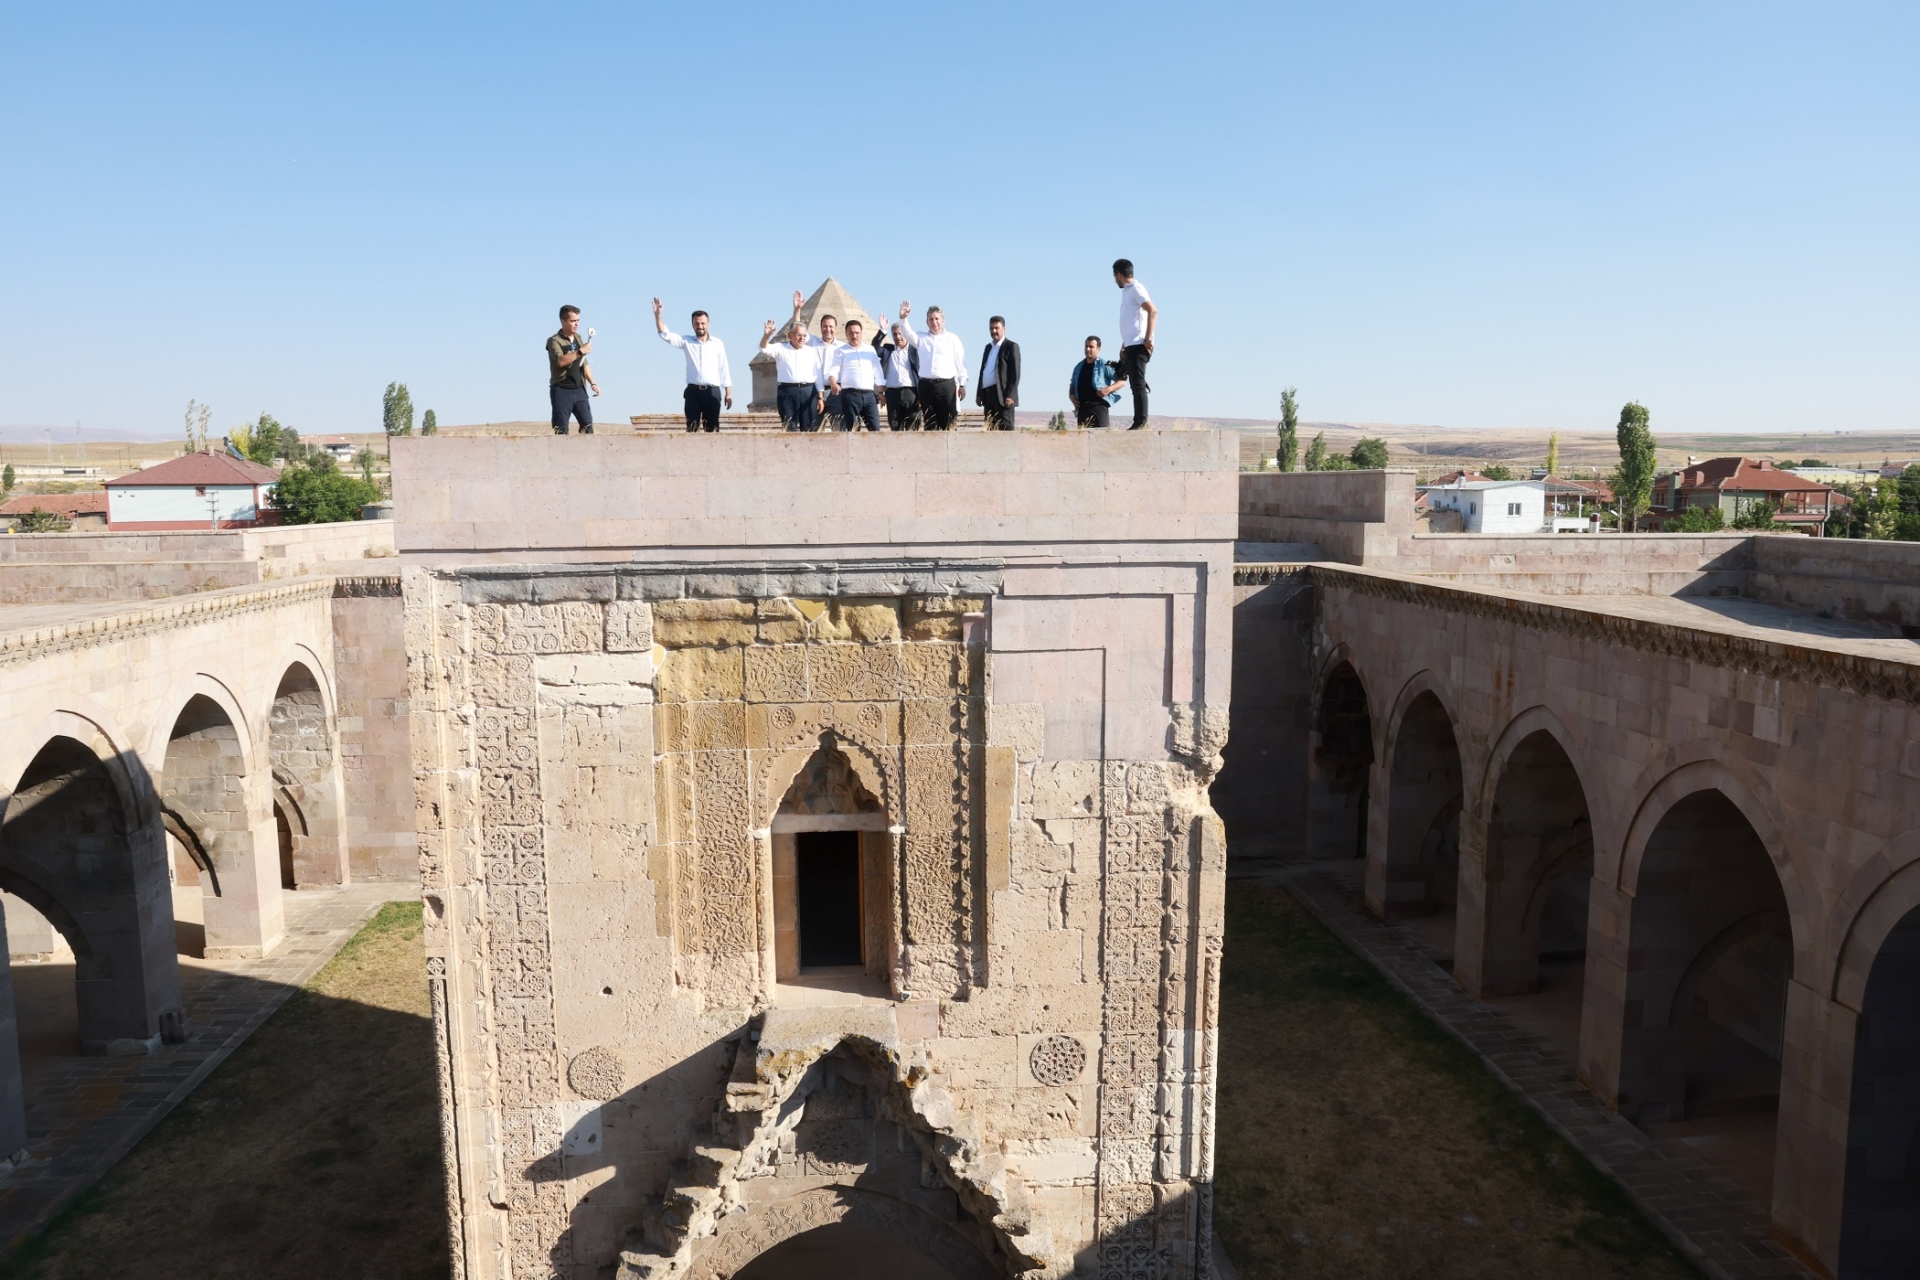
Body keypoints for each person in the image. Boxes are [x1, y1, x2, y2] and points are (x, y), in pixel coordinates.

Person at [653, 298, 732, 432]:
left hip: (712, 391)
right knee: (691, 428)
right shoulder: (686, 341)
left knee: (712, 429)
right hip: (693, 392)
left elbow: (724, 368)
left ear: (708, 324)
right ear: (692, 325)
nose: (700, 326)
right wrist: (658, 315)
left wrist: (728, 393)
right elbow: (665, 334)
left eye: (703, 323)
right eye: (697, 323)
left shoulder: (717, 343)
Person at [895, 300, 968, 430]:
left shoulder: (952, 338)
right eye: (931, 319)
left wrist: (962, 384)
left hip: (946, 386)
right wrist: (903, 318)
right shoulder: (921, 338)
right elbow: (907, 333)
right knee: (930, 423)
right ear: (926, 322)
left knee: (949, 423)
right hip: (926, 386)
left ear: (943, 321)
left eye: (937, 319)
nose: (934, 322)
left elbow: (961, 362)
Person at [1112, 258, 1157, 429]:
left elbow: (1153, 311)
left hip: (1139, 344)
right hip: (1131, 344)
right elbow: (1132, 322)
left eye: (1115, 276)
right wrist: (1124, 344)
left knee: (1137, 384)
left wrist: (1147, 339)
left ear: (1119, 274)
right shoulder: (1128, 292)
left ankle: (1140, 422)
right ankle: (1139, 421)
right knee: (1131, 381)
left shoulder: (1136, 289)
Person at [790, 291, 845, 427]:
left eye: (831, 326)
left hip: (836, 392)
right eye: (825, 326)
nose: (828, 329)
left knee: (839, 431)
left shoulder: (843, 348)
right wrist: (797, 310)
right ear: (820, 328)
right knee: (811, 430)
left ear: (836, 329)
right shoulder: (813, 341)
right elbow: (797, 329)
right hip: (814, 393)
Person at [759, 319, 826, 431]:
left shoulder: (811, 351)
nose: (802, 338)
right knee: (789, 427)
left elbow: (817, 375)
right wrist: (766, 336)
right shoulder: (780, 348)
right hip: (787, 392)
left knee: (810, 428)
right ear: (790, 335)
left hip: (808, 391)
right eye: (799, 335)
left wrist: (820, 397)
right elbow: (764, 349)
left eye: (804, 335)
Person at [546, 305, 598, 435]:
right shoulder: (554, 341)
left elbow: (583, 363)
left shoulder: (578, 338)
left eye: (578, 320)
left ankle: (586, 453)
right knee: (561, 429)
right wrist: (580, 351)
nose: (576, 324)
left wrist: (593, 383)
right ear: (563, 321)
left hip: (579, 388)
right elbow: (561, 361)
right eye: (573, 321)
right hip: (562, 389)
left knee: (588, 426)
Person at [827, 319, 884, 431]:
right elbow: (834, 370)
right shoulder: (841, 351)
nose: (854, 336)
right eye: (851, 333)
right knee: (852, 430)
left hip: (869, 396)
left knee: (875, 429)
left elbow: (878, 372)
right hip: (850, 396)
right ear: (846, 334)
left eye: (857, 333)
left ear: (861, 333)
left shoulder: (870, 350)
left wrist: (881, 392)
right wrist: (833, 383)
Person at [1066, 335, 1124, 429]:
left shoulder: (1104, 365)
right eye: (1086, 346)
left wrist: (1108, 389)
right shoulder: (1078, 367)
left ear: (1098, 349)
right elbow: (1072, 384)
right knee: (1082, 441)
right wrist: (1071, 395)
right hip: (1082, 409)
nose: (1088, 349)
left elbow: (1121, 381)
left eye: (1091, 347)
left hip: (1098, 408)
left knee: (1102, 439)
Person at [975, 315, 1021, 431]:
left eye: (996, 328)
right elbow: (983, 372)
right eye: (991, 328)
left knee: (1006, 429)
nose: (994, 331)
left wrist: (1010, 395)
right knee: (990, 429)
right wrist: (979, 393)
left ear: (1004, 329)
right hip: (988, 395)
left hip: (1003, 395)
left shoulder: (1011, 347)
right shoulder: (988, 348)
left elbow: (1015, 374)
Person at [875, 321, 921, 429]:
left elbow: (922, 373)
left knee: (913, 428)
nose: (898, 337)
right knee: (895, 427)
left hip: (911, 394)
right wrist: (882, 331)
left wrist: (922, 395)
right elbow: (875, 347)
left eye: (900, 334)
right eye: (895, 334)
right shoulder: (887, 350)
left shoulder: (915, 351)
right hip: (892, 394)